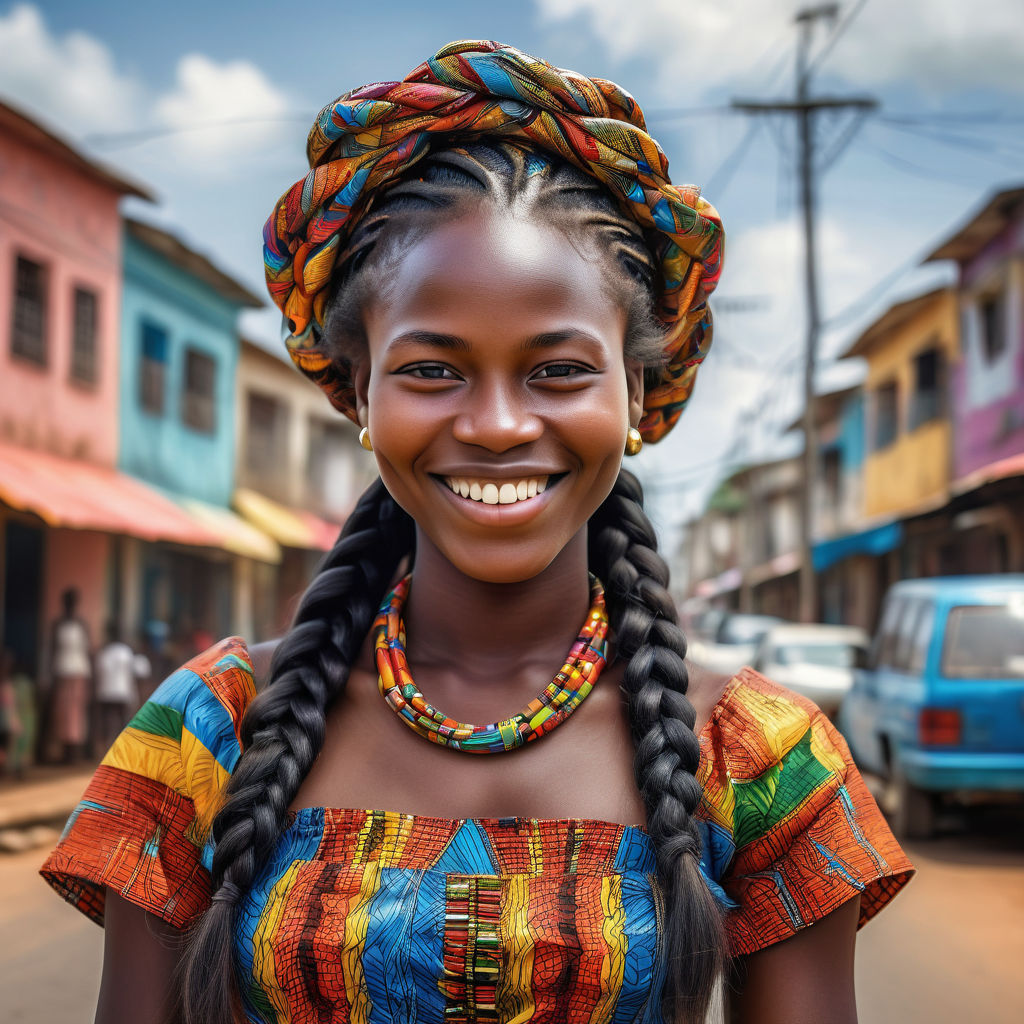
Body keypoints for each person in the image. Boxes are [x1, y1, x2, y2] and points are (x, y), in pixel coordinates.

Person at [41, 41, 913, 1024]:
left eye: (556, 371)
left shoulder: (760, 757)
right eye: (432, 370)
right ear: (358, 391)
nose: (497, 424)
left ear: (638, 390)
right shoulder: (207, 731)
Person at [48, 587, 92, 764]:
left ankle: (73, 752)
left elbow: (87, 651)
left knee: (76, 712)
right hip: (61, 671)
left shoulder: (82, 625)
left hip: (79, 671)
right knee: (62, 712)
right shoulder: (57, 624)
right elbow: (51, 650)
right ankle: (64, 750)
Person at [93, 624, 142, 753]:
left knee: (106, 721)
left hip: (105, 692)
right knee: (122, 721)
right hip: (122, 692)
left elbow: (98, 672)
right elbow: (133, 674)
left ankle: (105, 748)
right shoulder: (126, 651)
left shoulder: (104, 652)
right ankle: (120, 749)